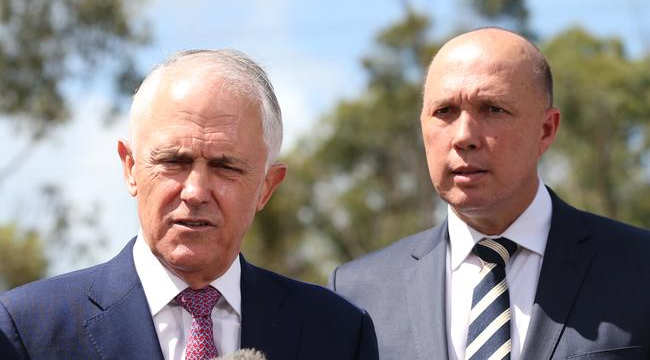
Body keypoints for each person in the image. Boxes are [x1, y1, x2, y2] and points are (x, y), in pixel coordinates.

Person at [0, 50, 378, 360]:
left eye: (225, 166)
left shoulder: (337, 332)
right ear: (130, 168)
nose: (195, 191)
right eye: (174, 162)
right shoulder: (29, 330)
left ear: (266, 186)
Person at [329, 28, 650, 360]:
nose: (464, 136)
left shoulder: (639, 268)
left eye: (493, 109)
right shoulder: (357, 293)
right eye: (444, 112)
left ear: (546, 130)